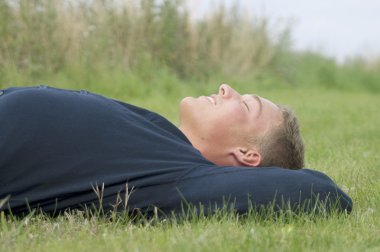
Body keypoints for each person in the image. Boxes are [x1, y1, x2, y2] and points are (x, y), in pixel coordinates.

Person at [0, 85, 352, 216]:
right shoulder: (164, 140)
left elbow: (322, 192)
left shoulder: (187, 177)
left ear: (247, 156)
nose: (226, 88)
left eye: (246, 106)